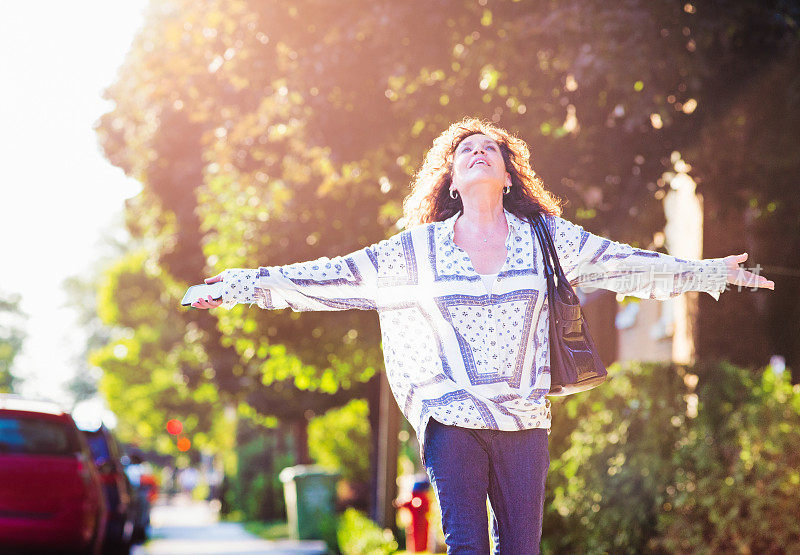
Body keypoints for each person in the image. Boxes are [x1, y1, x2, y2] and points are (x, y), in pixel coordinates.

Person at [192, 117, 774, 553]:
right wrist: (244, 285)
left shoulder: (545, 237)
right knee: (467, 547)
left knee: (520, 549)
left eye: (488, 148)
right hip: (451, 416)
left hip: (523, 419)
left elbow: (626, 264)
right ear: (450, 177)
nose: (477, 152)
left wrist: (712, 273)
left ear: (506, 172)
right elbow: (334, 276)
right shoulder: (418, 250)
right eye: (464, 149)